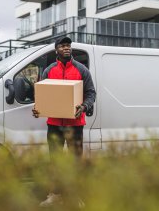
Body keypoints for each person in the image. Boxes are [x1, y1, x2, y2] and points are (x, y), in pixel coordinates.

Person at [32, 36, 96, 207]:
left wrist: (83, 106)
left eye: (68, 45)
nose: (67, 48)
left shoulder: (81, 70)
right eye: (63, 46)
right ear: (56, 50)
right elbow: (42, 95)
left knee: (75, 161)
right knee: (55, 161)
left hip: (75, 125)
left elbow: (91, 94)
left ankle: (74, 195)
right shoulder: (49, 71)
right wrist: (37, 108)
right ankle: (55, 195)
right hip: (54, 124)